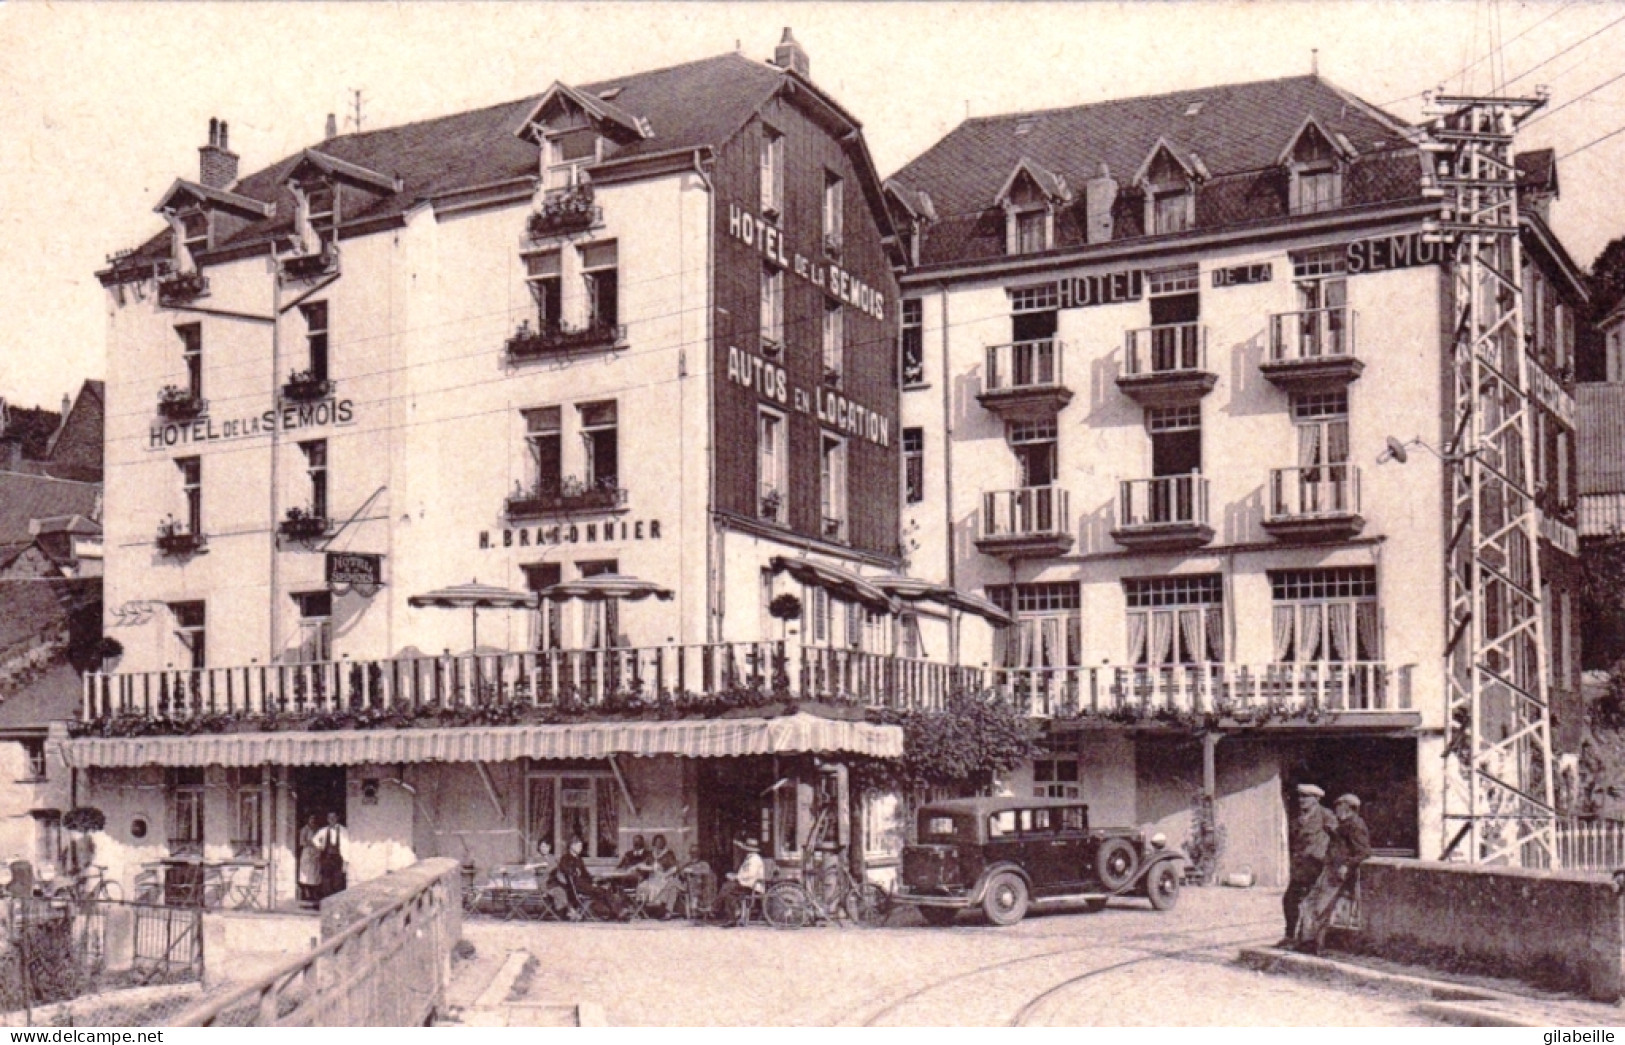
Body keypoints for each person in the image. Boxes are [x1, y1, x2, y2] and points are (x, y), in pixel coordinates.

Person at [1295, 793, 1371, 953]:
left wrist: (1346, 865)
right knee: (1312, 903)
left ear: (1347, 807)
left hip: (1337, 871)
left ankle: (1313, 944)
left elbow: (1363, 851)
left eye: (1339, 806)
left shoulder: (1355, 825)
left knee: (1320, 906)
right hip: (1330, 868)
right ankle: (1309, 941)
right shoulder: (1345, 824)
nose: (1336, 809)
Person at [1280, 783, 1336, 945]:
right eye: (1300, 796)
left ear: (1316, 799)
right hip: (1300, 867)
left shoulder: (1326, 815)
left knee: (1311, 904)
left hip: (1317, 866)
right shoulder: (1299, 818)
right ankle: (1289, 936)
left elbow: (1337, 838)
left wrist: (1329, 858)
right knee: (1289, 900)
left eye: (1306, 797)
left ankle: (1307, 939)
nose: (1301, 800)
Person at [713, 838, 766, 926]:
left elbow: (750, 874)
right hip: (747, 883)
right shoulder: (750, 858)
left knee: (727, 889)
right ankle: (726, 912)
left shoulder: (754, 860)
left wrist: (736, 877)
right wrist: (735, 876)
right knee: (727, 887)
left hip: (751, 885)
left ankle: (718, 909)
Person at [635, 834, 682, 914]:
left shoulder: (668, 854)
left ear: (664, 843)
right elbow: (644, 864)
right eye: (657, 842)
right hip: (652, 878)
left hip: (665, 878)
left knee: (659, 887)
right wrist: (642, 867)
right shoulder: (651, 854)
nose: (658, 844)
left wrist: (665, 874)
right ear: (654, 843)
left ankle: (658, 907)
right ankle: (643, 909)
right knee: (642, 886)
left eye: (660, 842)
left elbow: (675, 868)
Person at [312, 812, 349, 902]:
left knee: (338, 880)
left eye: (333, 817)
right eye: (329, 818)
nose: (332, 819)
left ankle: (336, 901)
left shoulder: (344, 830)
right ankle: (327, 901)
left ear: (337, 818)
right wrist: (320, 846)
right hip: (326, 857)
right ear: (327, 819)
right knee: (326, 879)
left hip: (338, 857)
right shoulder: (324, 830)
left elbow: (347, 845)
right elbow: (314, 839)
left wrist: (346, 860)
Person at [297, 815, 321, 908]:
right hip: (307, 852)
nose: (313, 821)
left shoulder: (318, 830)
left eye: (314, 819)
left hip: (315, 852)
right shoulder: (304, 830)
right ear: (308, 820)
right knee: (306, 874)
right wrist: (310, 842)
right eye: (311, 819)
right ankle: (307, 894)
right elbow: (301, 842)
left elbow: (321, 841)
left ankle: (314, 894)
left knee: (315, 873)